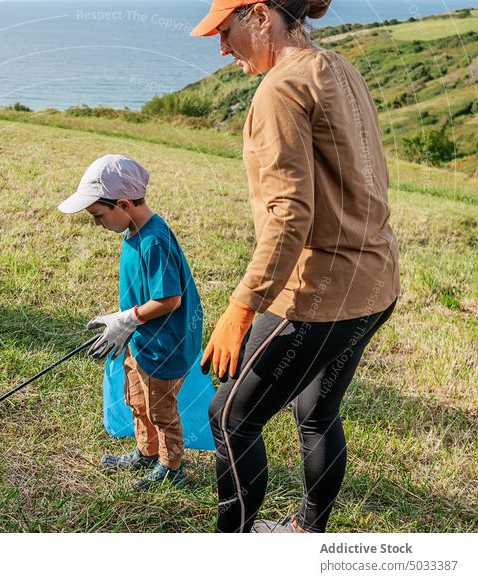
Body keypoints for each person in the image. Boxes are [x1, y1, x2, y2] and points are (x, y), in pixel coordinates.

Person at [191, 0, 400, 532]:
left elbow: (289, 216)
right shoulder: (339, 67)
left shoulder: (279, 89)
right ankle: (307, 535)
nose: (220, 46)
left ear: (260, 15)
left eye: (224, 29)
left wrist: (242, 307)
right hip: (376, 281)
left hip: (320, 295)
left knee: (229, 416)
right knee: (317, 413)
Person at [59, 154, 203, 490]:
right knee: (137, 400)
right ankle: (146, 452)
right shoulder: (134, 231)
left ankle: (171, 468)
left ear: (123, 204)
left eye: (98, 215)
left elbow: (170, 299)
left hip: (164, 346)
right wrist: (128, 325)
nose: (96, 223)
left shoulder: (154, 240)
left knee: (161, 411)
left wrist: (128, 318)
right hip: (141, 339)